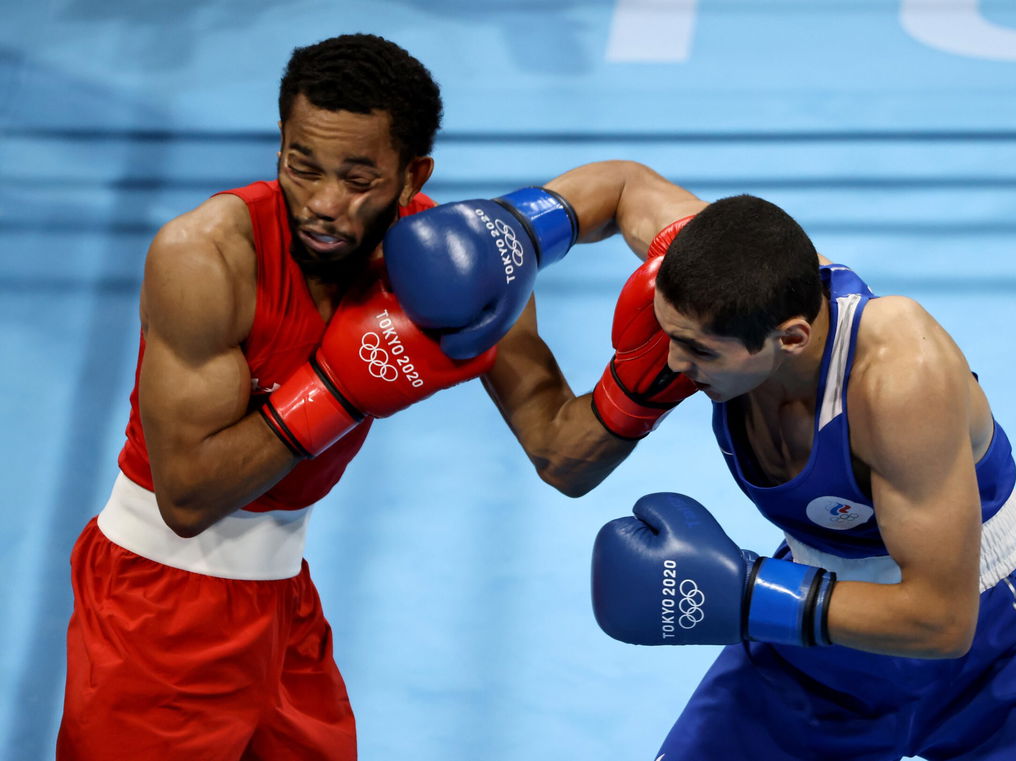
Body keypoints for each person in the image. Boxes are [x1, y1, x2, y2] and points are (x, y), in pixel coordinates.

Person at [55, 36, 651, 761]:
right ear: (280, 144)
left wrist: (656, 373)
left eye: (358, 178)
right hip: (153, 611)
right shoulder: (204, 256)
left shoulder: (450, 264)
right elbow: (186, 499)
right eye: (302, 167)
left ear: (412, 175)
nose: (324, 204)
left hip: (283, 603)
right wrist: (338, 387)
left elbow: (562, 453)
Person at [572, 181, 1016, 759]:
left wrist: (747, 596)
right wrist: (522, 231)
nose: (672, 364)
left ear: (790, 338)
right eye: (670, 335)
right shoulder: (721, 276)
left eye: (701, 351)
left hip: (997, 648)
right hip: (818, 650)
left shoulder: (899, 375)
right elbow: (620, 187)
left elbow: (942, 621)